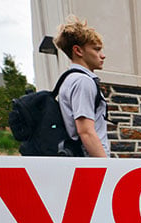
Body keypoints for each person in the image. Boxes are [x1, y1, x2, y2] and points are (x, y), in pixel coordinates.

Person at [53, 16, 109, 157]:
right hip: (92, 163)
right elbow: (86, 131)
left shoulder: (69, 79)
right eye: (96, 50)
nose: (102, 56)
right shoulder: (82, 82)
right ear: (78, 51)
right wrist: (107, 168)